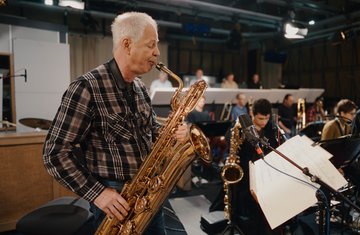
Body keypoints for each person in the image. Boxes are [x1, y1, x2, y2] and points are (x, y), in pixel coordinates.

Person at [42, 12, 187, 235]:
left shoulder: (139, 87)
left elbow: (148, 131)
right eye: (151, 45)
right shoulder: (86, 88)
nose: (157, 53)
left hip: (149, 192)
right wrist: (97, 194)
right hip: (115, 200)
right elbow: (54, 153)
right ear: (127, 45)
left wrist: (169, 131)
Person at [223, 98, 279, 234]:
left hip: (266, 173)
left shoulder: (271, 127)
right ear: (252, 114)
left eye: (267, 118)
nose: (264, 122)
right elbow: (227, 151)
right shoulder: (239, 127)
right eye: (261, 119)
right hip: (245, 174)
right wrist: (227, 159)